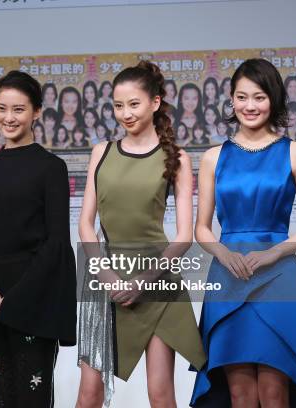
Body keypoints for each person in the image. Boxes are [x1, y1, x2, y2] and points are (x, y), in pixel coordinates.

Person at [191, 58, 296, 408]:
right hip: (229, 275)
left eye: (260, 97)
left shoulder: (295, 152)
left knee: (274, 392)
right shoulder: (212, 157)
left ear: (274, 99)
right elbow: (202, 229)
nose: (250, 105)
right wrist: (222, 253)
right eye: (242, 97)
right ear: (231, 100)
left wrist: (273, 253)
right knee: (239, 394)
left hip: (279, 275)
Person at [76, 61, 205, 408]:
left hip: (158, 280)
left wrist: (142, 281)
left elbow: (184, 236)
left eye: (133, 104)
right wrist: (106, 276)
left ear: (155, 103)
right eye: (118, 105)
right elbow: (86, 223)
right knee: (88, 394)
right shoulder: (101, 152)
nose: (125, 113)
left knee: (160, 393)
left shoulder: (176, 158)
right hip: (104, 279)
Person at [0, 70, 76, 408]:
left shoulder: (51, 167)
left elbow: (56, 243)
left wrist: (17, 298)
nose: (8, 118)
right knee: (2, 400)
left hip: (34, 301)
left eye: (19, 109)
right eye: (1, 109)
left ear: (37, 111)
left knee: (33, 399)